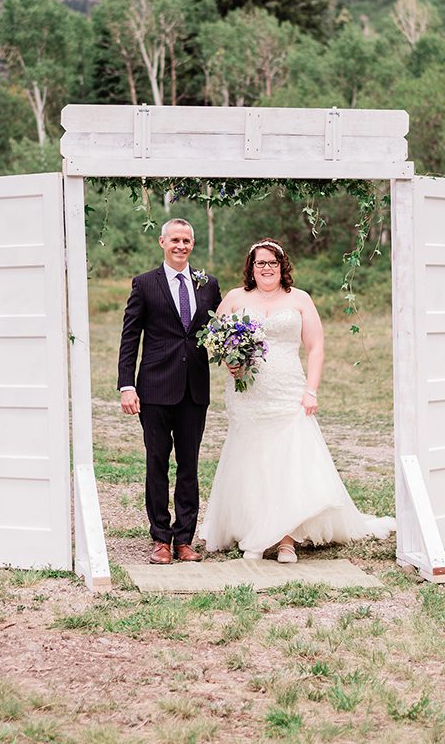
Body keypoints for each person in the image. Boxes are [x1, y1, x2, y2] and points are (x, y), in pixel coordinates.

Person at [199, 239, 395, 562]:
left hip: (287, 390)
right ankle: (255, 533)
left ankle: (287, 539)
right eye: (260, 263)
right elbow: (213, 340)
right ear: (251, 266)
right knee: (251, 462)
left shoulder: (300, 299)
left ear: (282, 266)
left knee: (287, 463)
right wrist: (229, 359)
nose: (266, 268)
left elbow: (315, 347)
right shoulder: (235, 298)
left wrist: (311, 390)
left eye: (272, 263)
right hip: (247, 393)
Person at [117, 218, 223, 565]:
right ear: (162, 242)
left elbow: (217, 333)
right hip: (155, 389)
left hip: (194, 390)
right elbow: (130, 337)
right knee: (157, 463)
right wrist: (127, 385)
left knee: (189, 466)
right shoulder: (145, 283)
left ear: (193, 244)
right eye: (175, 239)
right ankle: (160, 538)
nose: (181, 246)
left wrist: (235, 355)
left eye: (187, 240)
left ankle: (184, 540)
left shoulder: (207, 284)